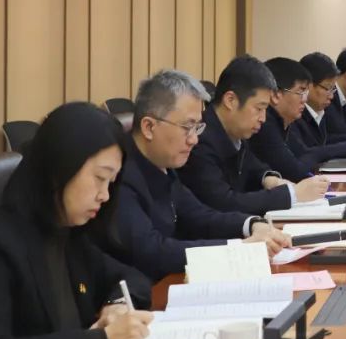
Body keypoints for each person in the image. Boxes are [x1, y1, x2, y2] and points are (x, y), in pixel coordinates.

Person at [0, 103, 154, 339]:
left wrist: (117, 307)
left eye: (111, 182)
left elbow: (133, 278)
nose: (105, 195)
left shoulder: (68, 233)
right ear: (59, 168)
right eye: (99, 178)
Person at [113, 70, 291, 281]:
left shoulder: (162, 162)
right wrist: (238, 248)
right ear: (149, 127)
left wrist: (251, 224)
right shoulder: (119, 174)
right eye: (187, 127)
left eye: (197, 127)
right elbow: (154, 251)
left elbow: (199, 215)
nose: (194, 139)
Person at [180, 55, 328, 215]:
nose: (263, 118)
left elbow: (253, 166)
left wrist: (269, 179)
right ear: (230, 100)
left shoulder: (235, 131)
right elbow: (224, 203)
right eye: (259, 108)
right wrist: (292, 195)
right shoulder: (200, 140)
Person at [292, 53, 346, 165]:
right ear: (308, 86)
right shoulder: (293, 115)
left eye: (333, 89)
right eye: (327, 88)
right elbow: (306, 153)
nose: (331, 96)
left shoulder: (318, 109)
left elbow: (323, 144)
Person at [248, 57, 318, 181]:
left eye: (306, 93)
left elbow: (305, 154)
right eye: (301, 92)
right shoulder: (264, 124)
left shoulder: (284, 120)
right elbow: (294, 171)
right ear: (275, 95)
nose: (305, 99)